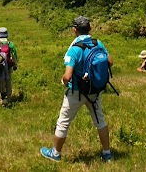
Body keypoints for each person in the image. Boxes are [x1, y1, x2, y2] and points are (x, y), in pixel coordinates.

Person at [40, 16, 113, 163]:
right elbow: (110, 62)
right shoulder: (97, 43)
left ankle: (55, 153)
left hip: (76, 92)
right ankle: (107, 153)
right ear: (90, 29)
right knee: (100, 121)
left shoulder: (74, 49)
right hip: (94, 91)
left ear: (74, 30)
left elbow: (67, 75)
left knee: (63, 122)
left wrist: (64, 81)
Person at [0, 27, 18, 98]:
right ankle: (8, 96)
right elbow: (14, 55)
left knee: (0, 81)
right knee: (8, 80)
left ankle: (1, 96)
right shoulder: (10, 44)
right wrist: (15, 64)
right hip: (8, 65)